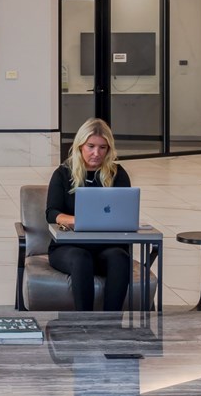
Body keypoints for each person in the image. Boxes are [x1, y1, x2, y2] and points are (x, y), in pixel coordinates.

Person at [45, 118, 132, 311]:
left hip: (107, 246)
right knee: (81, 258)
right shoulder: (62, 173)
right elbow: (52, 213)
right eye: (91, 146)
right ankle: (85, 322)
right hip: (69, 247)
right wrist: (76, 220)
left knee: (120, 258)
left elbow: (125, 211)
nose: (96, 153)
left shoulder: (118, 174)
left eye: (102, 148)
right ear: (80, 146)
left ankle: (111, 324)